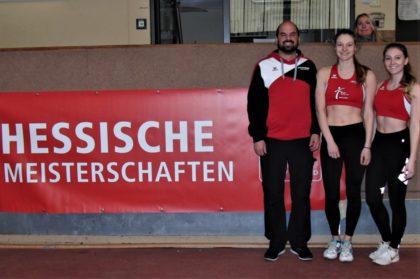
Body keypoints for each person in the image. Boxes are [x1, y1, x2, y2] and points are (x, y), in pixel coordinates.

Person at [247, 20, 320, 262]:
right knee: (273, 193)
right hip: (272, 141)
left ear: (298, 38)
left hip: (302, 141)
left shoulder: (309, 67)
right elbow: (254, 105)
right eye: (283, 34)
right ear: (277, 38)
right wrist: (257, 136)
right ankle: (276, 241)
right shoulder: (263, 66)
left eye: (292, 34)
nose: (287, 38)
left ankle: (300, 242)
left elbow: (316, 105)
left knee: (301, 193)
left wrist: (316, 131)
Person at [315, 29, 377, 262]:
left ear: (356, 47)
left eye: (349, 45)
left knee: (353, 191)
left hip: (355, 136)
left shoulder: (366, 75)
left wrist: (367, 145)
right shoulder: (324, 74)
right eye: (340, 45)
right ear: (334, 47)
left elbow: (370, 112)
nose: (344, 49)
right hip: (332, 134)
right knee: (331, 192)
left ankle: (348, 241)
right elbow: (320, 110)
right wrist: (329, 140)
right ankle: (335, 238)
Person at [366, 43, 420, 266]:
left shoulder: (413, 88)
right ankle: (387, 241)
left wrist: (413, 160)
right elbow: (372, 118)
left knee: (397, 201)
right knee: (372, 197)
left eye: (398, 58)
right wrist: (367, 145)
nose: (393, 62)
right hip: (379, 144)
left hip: (400, 146)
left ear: (406, 60)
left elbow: (416, 125)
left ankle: (394, 248)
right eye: (388, 58)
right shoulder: (380, 86)